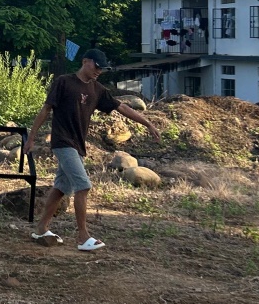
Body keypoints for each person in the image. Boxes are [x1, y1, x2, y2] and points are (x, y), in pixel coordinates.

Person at [24, 48, 160, 251]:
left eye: (102, 69)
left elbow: (121, 107)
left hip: (78, 145)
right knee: (83, 185)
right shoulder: (64, 82)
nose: (99, 71)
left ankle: (41, 229)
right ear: (85, 61)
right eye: (97, 66)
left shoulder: (97, 89)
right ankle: (83, 237)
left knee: (61, 188)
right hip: (62, 142)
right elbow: (46, 109)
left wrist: (147, 123)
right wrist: (31, 138)